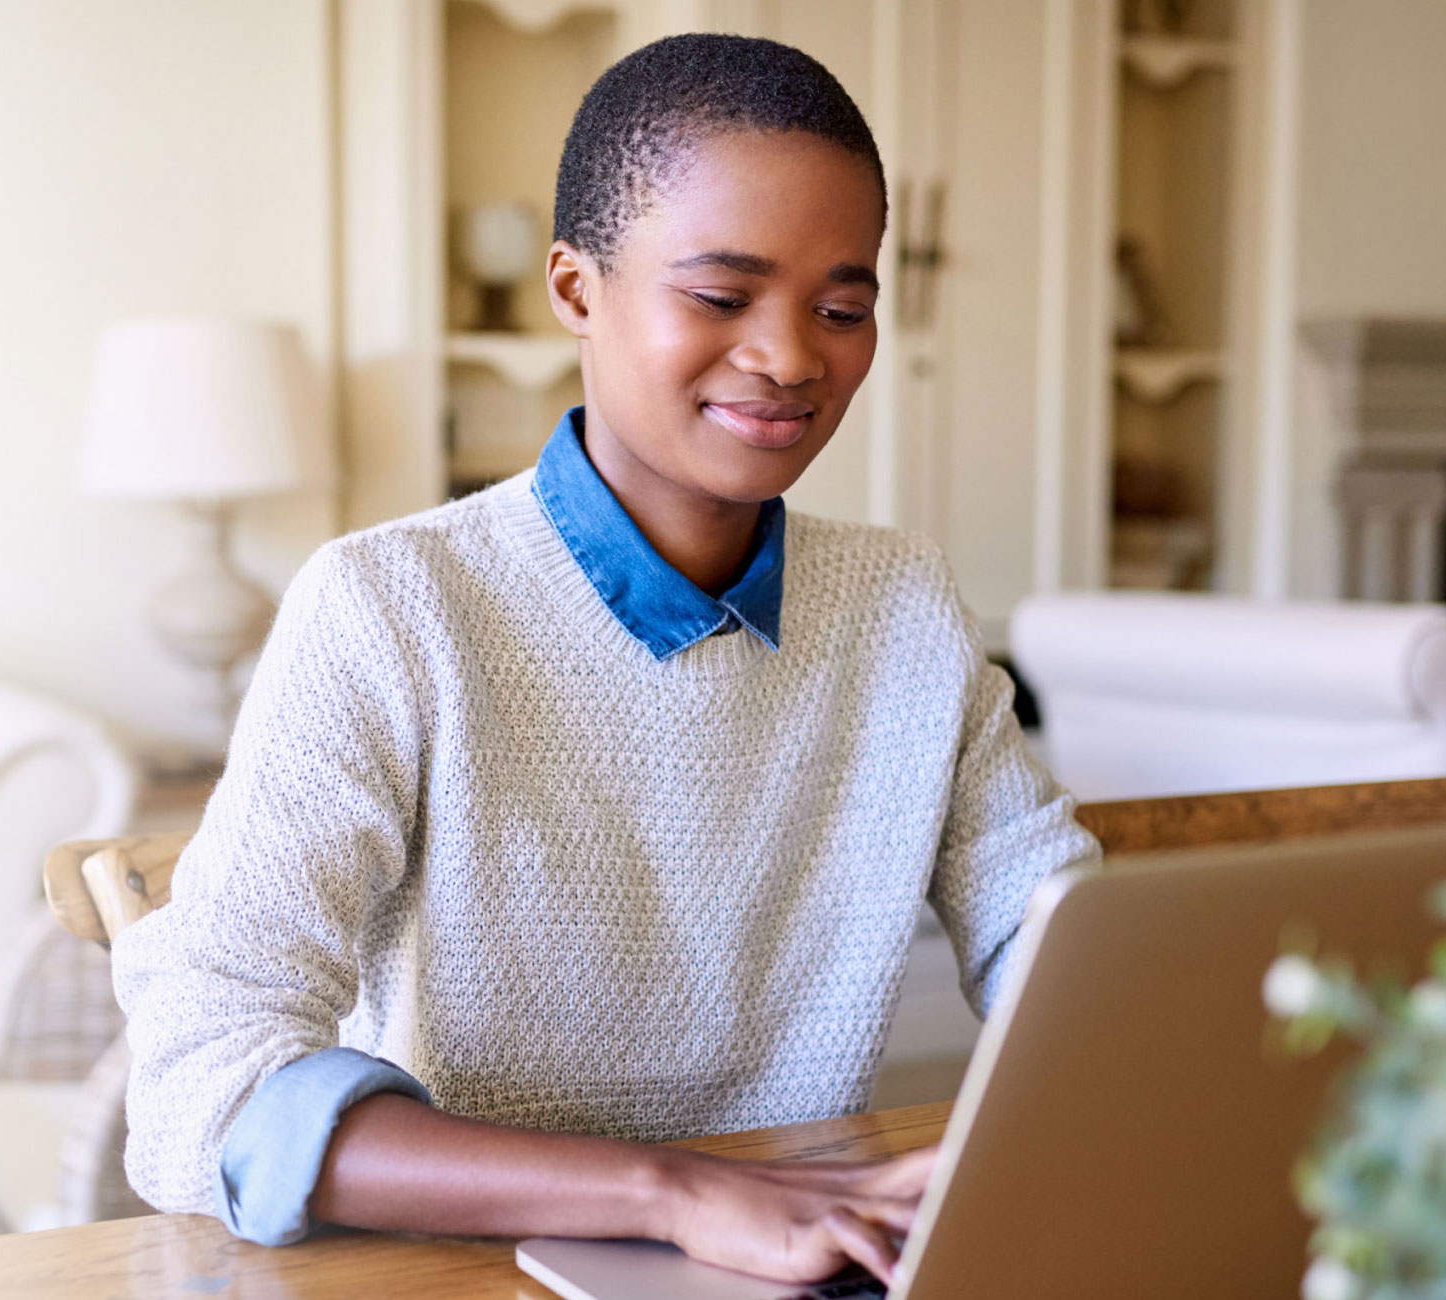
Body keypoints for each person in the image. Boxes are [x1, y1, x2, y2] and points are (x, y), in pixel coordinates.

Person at [109, 33, 1099, 1287]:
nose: (793, 357)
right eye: (722, 296)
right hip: (462, 1270)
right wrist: (676, 1193)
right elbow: (203, 1083)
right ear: (576, 291)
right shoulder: (388, 607)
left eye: (842, 309)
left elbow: (1063, 948)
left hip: (791, 1261)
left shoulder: (905, 605)